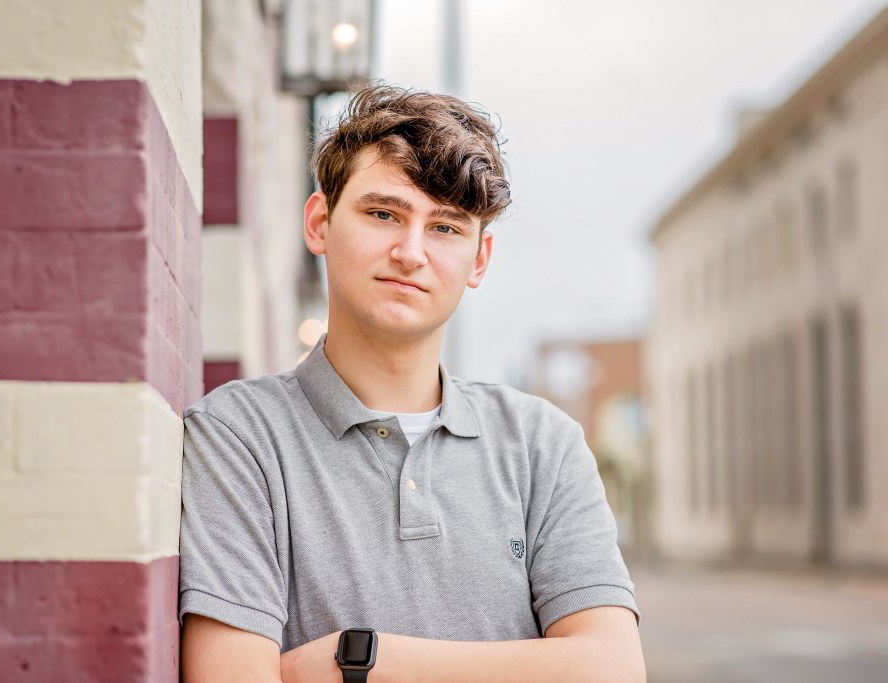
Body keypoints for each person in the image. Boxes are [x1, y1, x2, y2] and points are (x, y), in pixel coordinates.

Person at [179, 84, 645, 683]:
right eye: (383, 214)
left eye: (447, 227)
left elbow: (610, 669)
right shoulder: (237, 437)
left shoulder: (542, 444)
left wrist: (356, 657)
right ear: (320, 223)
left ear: (479, 260)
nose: (410, 251)